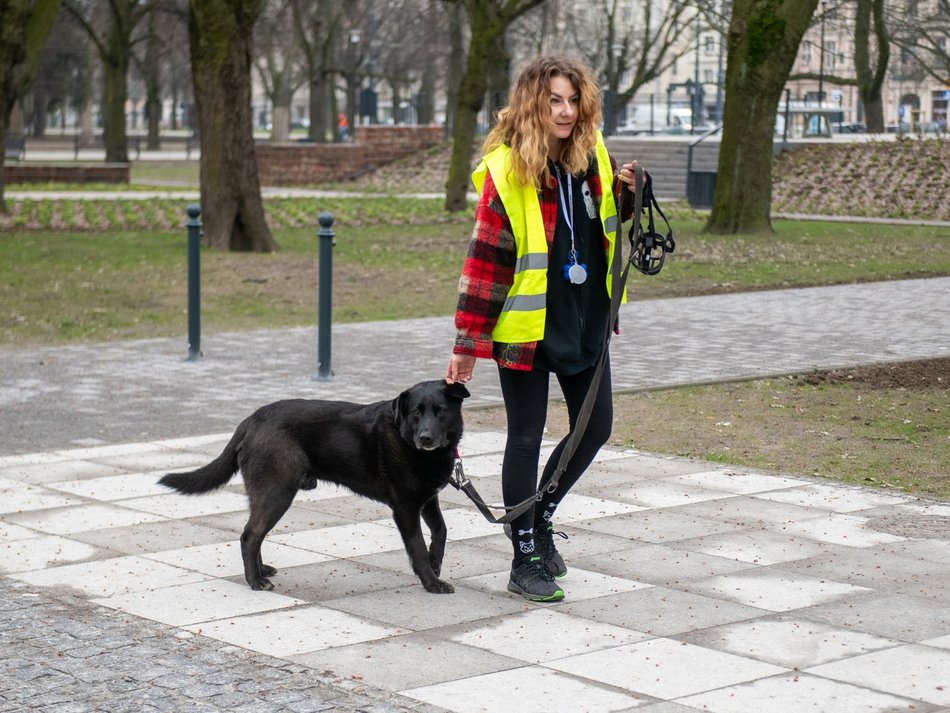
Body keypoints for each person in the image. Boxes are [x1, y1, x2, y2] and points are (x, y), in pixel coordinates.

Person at [445, 55, 641, 602]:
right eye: (554, 100)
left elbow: (602, 222)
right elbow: (485, 263)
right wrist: (466, 345)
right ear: (534, 102)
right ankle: (523, 556)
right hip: (527, 327)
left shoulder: (594, 154)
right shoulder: (508, 170)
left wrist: (629, 195)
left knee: (593, 427)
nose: (565, 110)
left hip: (586, 321)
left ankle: (541, 515)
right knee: (526, 438)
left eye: (573, 100)